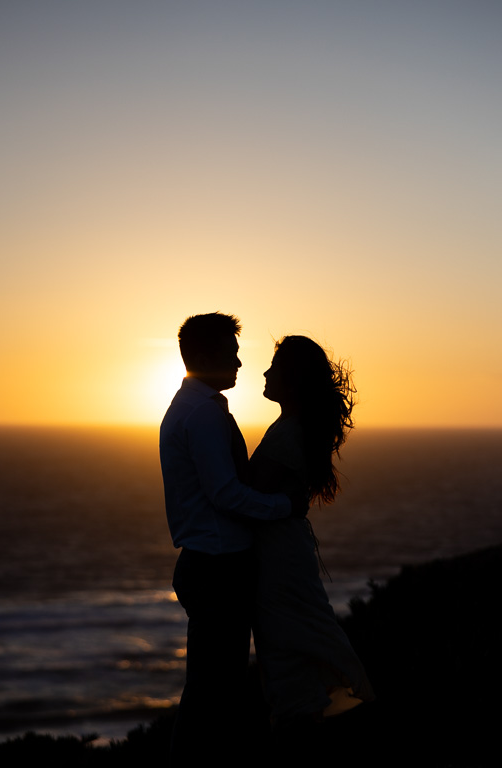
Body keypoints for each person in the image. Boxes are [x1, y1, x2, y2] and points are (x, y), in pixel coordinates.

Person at [159, 313, 303, 767]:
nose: (240, 362)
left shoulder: (197, 407)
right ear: (202, 357)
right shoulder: (201, 413)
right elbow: (224, 493)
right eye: (230, 353)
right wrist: (285, 506)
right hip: (217, 566)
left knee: (218, 687)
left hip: (211, 565)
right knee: (211, 690)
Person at [249, 335, 375, 749]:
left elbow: (246, 498)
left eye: (274, 367)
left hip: (279, 560)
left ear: (293, 378)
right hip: (288, 552)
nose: (266, 373)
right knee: (299, 645)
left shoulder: (286, 433)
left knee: (285, 650)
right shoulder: (295, 429)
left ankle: (305, 743)